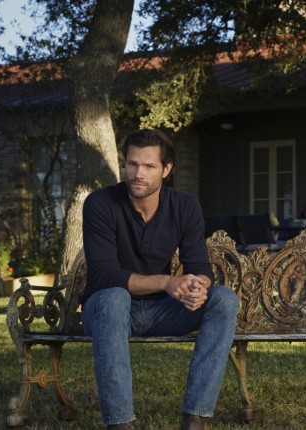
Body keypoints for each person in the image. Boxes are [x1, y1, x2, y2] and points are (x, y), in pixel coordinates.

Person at [80, 129, 239, 430]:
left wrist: (198, 286)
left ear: (167, 169)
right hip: (106, 312)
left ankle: (195, 418)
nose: (138, 174)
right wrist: (167, 282)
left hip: (163, 312)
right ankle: (121, 424)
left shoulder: (185, 206)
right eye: (132, 164)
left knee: (224, 299)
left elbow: (199, 266)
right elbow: (103, 275)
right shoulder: (100, 203)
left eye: (149, 166)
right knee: (114, 297)